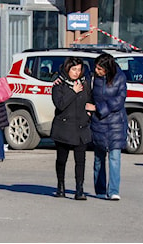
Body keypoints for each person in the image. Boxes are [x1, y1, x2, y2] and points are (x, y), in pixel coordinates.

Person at [87, 53, 127, 200]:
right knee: (99, 158)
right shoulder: (92, 78)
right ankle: (100, 189)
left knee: (115, 157)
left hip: (116, 122)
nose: (97, 71)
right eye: (96, 68)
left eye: (100, 68)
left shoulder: (120, 77)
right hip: (98, 123)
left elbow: (119, 100)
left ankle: (114, 190)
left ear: (107, 68)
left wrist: (98, 108)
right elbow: (88, 95)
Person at [51, 57, 92, 200]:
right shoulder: (59, 85)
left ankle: (79, 189)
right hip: (64, 128)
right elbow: (60, 104)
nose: (76, 73)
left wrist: (90, 110)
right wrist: (73, 92)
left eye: (79, 70)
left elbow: (89, 99)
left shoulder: (84, 84)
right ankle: (60, 186)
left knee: (80, 161)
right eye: (74, 69)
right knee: (61, 159)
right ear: (67, 69)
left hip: (81, 127)